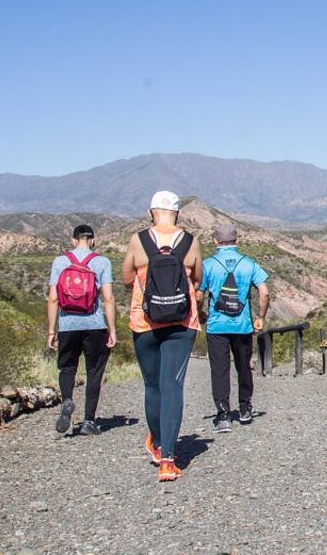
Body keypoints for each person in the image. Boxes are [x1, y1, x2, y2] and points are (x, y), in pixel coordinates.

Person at [122, 191, 202, 482]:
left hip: (144, 322)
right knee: (173, 385)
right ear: (177, 213)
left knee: (153, 386)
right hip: (182, 322)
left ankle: (156, 443)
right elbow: (197, 279)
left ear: (151, 211)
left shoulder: (138, 240)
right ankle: (169, 459)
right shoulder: (190, 242)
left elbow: (127, 278)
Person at [196, 223, 270, 433]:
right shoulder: (249, 264)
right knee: (243, 366)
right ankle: (245, 408)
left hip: (217, 326)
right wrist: (261, 317)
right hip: (243, 325)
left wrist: (201, 313)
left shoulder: (208, 265)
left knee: (220, 370)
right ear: (237, 241)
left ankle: (223, 415)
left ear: (214, 241)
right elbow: (264, 293)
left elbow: (199, 294)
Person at [46, 224, 117, 436]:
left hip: (68, 325)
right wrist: (112, 329)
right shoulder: (102, 262)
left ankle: (67, 399)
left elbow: (53, 298)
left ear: (73, 240)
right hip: (95, 325)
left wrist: (52, 331)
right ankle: (88, 421)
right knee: (94, 371)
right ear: (93, 240)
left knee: (67, 367)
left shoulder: (60, 262)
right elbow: (109, 298)